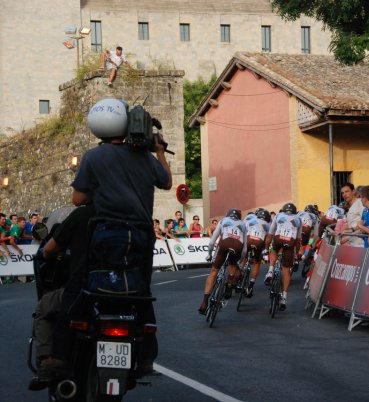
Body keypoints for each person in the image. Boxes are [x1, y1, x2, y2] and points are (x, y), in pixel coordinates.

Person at [67, 98, 172, 375]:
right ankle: (147, 356)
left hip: (106, 232)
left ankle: (71, 344)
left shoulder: (93, 157)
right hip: (140, 235)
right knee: (141, 292)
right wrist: (160, 150)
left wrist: (99, 191)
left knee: (87, 284)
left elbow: (78, 199)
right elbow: (167, 182)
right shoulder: (145, 158)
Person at [28, 205, 95, 390]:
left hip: (85, 287)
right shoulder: (125, 214)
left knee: (43, 307)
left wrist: (47, 252)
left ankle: (47, 364)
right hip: (123, 290)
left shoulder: (83, 213)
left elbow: (50, 248)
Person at [198, 209, 247, 314]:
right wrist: (240, 260)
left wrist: (209, 254)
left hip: (224, 244)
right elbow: (245, 250)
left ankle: (204, 302)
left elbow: (212, 241)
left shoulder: (223, 221)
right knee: (233, 264)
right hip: (237, 246)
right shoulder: (243, 224)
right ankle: (229, 284)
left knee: (214, 270)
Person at [264, 203, 302, 311]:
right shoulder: (298, 219)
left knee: (274, 250)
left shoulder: (278, 216)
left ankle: (270, 271)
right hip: (290, 242)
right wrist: (295, 254)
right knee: (286, 270)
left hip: (279, 238)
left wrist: (266, 248)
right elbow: (298, 241)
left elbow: (270, 235)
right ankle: (284, 298)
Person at [242, 208, 271, 297]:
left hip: (248, 240)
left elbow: (243, 232)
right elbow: (267, 239)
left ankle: (239, 273)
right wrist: (266, 249)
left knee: (244, 257)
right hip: (258, 243)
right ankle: (251, 285)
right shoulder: (267, 225)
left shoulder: (250, 219)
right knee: (257, 263)